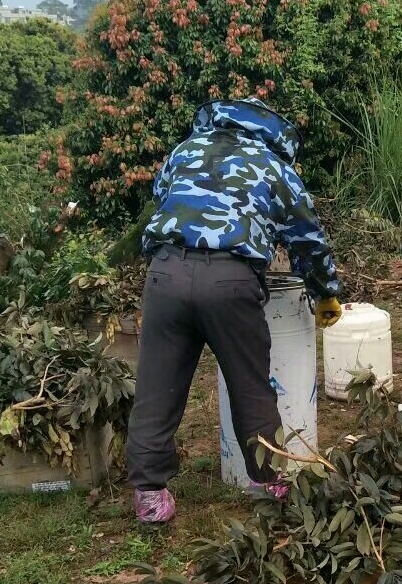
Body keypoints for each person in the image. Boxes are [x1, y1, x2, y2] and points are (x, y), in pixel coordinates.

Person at [126, 97, 342, 524]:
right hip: (230, 282)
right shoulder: (274, 167)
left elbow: (163, 199)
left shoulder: (185, 150)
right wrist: (325, 293)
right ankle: (270, 485)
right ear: (273, 133)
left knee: (156, 387)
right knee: (251, 386)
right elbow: (307, 239)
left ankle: (149, 497)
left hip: (165, 275)